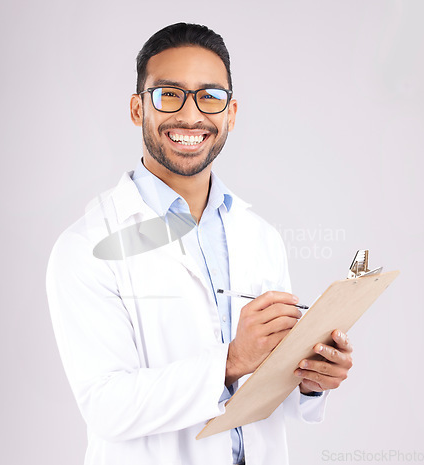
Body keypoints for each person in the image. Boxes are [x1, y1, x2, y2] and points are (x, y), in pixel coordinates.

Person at [46, 22, 353, 465]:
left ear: (230, 113)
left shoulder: (260, 236)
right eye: (169, 94)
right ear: (137, 108)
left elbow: (263, 389)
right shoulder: (86, 246)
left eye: (209, 97)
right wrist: (228, 361)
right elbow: (106, 406)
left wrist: (309, 378)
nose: (191, 116)